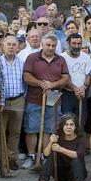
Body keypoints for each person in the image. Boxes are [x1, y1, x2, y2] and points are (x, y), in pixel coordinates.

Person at [22, 34, 69, 169]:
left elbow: (65, 78)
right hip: (35, 99)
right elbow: (26, 76)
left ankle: (44, 156)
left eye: (53, 46)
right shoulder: (32, 58)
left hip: (54, 100)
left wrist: (53, 85)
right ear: (42, 44)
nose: (50, 48)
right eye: (48, 45)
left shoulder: (60, 60)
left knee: (49, 129)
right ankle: (32, 156)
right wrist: (41, 83)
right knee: (31, 129)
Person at [32, 114, 87, 181]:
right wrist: (51, 142)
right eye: (66, 124)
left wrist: (60, 149)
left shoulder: (81, 138)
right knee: (52, 154)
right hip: (59, 174)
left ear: (75, 127)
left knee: (76, 159)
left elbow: (78, 155)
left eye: (71, 124)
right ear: (62, 126)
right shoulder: (58, 136)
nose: (68, 127)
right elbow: (46, 154)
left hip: (75, 173)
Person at [0, 35, 25, 171]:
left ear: (18, 47)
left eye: (14, 44)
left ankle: (12, 158)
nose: (11, 47)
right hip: (2, 101)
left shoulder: (22, 62)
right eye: (9, 44)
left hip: (18, 99)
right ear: (3, 46)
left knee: (15, 132)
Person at [61, 33, 91, 127]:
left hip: (82, 93)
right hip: (67, 94)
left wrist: (84, 87)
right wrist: (75, 89)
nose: (76, 46)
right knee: (67, 120)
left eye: (79, 43)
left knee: (81, 121)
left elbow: (88, 75)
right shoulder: (62, 58)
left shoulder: (86, 57)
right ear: (68, 44)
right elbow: (64, 77)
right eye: (74, 43)